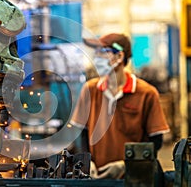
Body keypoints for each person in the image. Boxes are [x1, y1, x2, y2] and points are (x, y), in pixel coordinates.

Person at [70, 33, 170, 179]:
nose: (97, 58)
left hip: (134, 178)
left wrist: (127, 165)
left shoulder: (146, 93)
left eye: (103, 52)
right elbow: (82, 134)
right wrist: (87, 162)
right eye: (96, 53)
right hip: (97, 177)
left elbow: (155, 141)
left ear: (119, 57)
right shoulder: (90, 90)